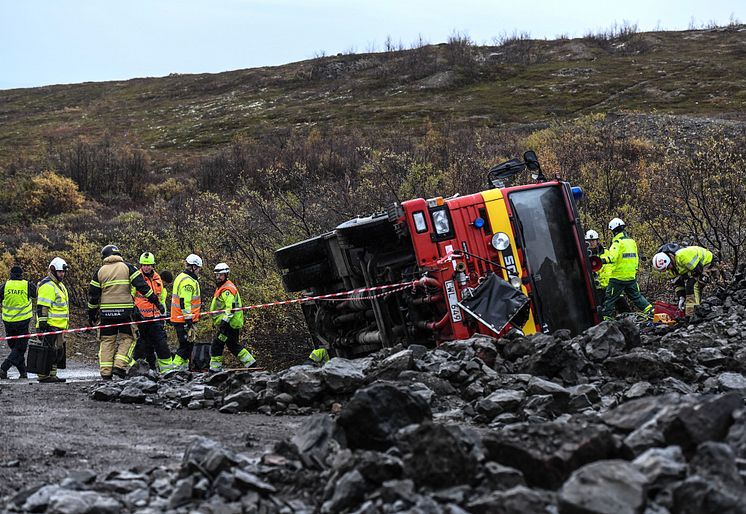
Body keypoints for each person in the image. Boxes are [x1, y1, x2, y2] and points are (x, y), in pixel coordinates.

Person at [88, 244, 163, 380]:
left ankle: (105, 372)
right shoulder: (127, 267)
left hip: (106, 314)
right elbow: (142, 286)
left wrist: (91, 315)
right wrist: (156, 302)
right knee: (128, 338)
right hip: (124, 312)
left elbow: (93, 296)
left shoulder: (99, 271)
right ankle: (119, 366)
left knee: (107, 341)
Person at [599, 218, 653, 321]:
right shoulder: (632, 242)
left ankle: (605, 321)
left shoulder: (617, 242)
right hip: (631, 277)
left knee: (610, 299)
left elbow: (612, 258)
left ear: (614, 230)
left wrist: (600, 260)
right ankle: (652, 312)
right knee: (637, 297)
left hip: (618, 278)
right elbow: (636, 258)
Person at [130, 252, 174, 373]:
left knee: (161, 344)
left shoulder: (157, 278)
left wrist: (162, 313)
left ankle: (167, 371)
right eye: (144, 264)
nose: (146, 267)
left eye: (149, 265)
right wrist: (133, 311)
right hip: (141, 318)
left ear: (153, 265)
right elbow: (130, 296)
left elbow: (160, 298)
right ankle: (133, 369)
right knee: (142, 345)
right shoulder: (136, 277)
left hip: (155, 318)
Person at [209, 263, 256, 372]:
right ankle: (252, 364)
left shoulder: (227, 289)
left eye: (220, 275)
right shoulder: (223, 287)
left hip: (228, 324)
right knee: (233, 345)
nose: (218, 277)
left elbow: (230, 308)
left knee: (217, 345)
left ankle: (214, 369)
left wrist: (224, 323)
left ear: (226, 275)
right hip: (230, 323)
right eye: (217, 275)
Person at [652, 243, 715, 316]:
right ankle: (690, 310)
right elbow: (677, 283)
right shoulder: (670, 268)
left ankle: (693, 312)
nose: (668, 269)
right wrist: (681, 297)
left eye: (668, 267)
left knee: (692, 285)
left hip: (708, 264)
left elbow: (698, 271)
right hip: (695, 269)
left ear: (669, 260)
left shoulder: (682, 256)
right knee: (688, 286)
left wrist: (685, 276)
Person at [35, 258, 70, 383]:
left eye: (63, 272)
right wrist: (43, 323)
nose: (62, 274)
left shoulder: (59, 285)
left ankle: (52, 375)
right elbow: (42, 306)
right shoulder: (48, 285)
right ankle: (43, 376)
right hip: (50, 325)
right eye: (60, 272)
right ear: (53, 270)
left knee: (57, 352)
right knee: (48, 352)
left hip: (59, 326)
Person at [0, 266, 37, 379]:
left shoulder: (4, 286)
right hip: (23, 321)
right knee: (20, 348)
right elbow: (36, 294)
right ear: (21, 274)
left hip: (8, 322)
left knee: (14, 347)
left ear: (10, 274)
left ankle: (23, 372)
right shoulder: (27, 285)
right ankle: (3, 368)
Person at [170, 254, 203, 371]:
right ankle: (173, 369)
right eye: (198, 268)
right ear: (193, 267)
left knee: (188, 346)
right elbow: (185, 301)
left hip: (180, 317)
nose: (199, 271)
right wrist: (188, 319)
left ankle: (183, 371)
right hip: (183, 319)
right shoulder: (188, 281)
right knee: (185, 346)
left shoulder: (181, 277)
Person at [585, 229, 629, 313]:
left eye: (593, 240)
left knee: (623, 306)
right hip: (598, 289)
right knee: (600, 311)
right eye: (589, 241)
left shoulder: (607, 252)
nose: (591, 243)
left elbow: (614, 264)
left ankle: (629, 321)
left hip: (611, 286)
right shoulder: (586, 256)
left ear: (597, 241)